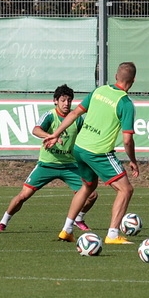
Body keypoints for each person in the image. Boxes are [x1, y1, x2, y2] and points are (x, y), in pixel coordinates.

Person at [43, 62, 139, 244]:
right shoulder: (125, 103)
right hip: (99, 152)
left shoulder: (99, 91)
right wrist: (133, 160)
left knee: (88, 186)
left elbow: (73, 114)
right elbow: (127, 140)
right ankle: (112, 234)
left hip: (79, 148)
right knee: (126, 189)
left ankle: (67, 229)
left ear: (116, 76)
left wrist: (55, 134)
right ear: (133, 81)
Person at [0, 84, 98, 232]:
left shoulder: (77, 119)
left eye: (69, 100)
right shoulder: (50, 115)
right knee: (23, 195)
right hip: (47, 164)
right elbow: (36, 130)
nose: (66, 103)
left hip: (70, 166)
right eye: (63, 100)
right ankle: (3, 221)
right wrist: (50, 136)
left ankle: (78, 218)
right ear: (55, 101)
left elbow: (85, 137)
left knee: (92, 195)